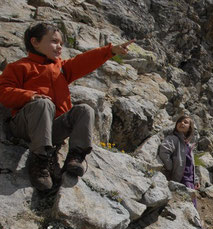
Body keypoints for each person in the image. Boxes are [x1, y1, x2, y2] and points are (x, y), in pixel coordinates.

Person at [0, 22, 134, 191]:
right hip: (25, 126)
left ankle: (75, 157)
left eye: (62, 44)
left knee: (85, 110)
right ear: (35, 42)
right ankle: (40, 162)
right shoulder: (19, 67)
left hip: (53, 129)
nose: (59, 47)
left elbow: (84, 61)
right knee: (43, 103)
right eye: (54, 42)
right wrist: (30, 96)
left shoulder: (61, 68)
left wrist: (110, 51)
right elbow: (4, 91)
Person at [158, 115, 200, 205]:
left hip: (190, 182)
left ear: (190, 128)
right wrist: (171, 168)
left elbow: (191, 165)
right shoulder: (173, 138)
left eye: (185, 122)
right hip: (180, 180)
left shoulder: (188, 145)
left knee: (192, 208)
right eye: (180, 121)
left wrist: (195, 180)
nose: (182, 123)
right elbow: (164, 152)